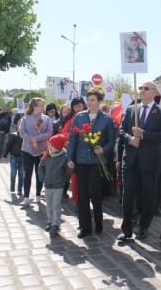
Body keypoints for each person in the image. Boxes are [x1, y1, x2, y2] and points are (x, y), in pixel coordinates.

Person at [117, 82, 161, 241]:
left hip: (150, 162)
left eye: (146, 88)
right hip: (131, 161)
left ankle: (144, 227)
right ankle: (126, 229)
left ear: (154, 92)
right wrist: (130, 139)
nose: (142, 91)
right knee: (127, 196)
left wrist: (144, 134)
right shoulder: (131, 109)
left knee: (148, 196)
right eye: (140, 88)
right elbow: (121, 130)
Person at [67, 88, 116, 238]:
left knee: (94, 192)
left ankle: (99, 221)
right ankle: (85, 227)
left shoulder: (107, 119)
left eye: (93, 100)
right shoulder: (79, 117)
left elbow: (111, 140)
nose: (90, 102)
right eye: (88, 100)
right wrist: (70, 158)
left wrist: (104, 149)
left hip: (97, 162)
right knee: (82, 194)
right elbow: (73, 140)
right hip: (81, 160)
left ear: (99, 101)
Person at [19, 98, 53, 207]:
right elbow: (22, 132)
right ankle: (26, 197)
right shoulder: (25, 118)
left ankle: (38, 195)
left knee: (40, 173)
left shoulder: (46, 118)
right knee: (27, 173)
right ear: (34, 106)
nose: (43, 107)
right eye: (40, 105)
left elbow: (49, 132)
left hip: (42, 150)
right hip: (27, 150)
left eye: (43, 105)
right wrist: (30, 140)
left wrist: (36, 139)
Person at [39, 134, 69, 237]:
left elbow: (68, 171)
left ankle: (56, 224)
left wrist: (63, 179)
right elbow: (41, 167)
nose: (49, 147)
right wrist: (42, 178)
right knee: (49, 205)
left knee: (56, 205)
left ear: (58, 147)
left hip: (58, 185)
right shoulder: (46, 155)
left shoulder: (64, 157)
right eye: (49, 145)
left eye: (51, 146)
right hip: (48, 184)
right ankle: (50, 221)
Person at [62, 97, 86, 209]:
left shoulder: (89, 116)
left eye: (80, 105)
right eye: (75, 106)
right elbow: (64, 132)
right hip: (74, 152)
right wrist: (74, 136)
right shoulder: (70, 119)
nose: (78, 108)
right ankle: (77, 201)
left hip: (88, 151)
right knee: (75, 179)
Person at [3, 116, 24, 195]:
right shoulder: (13, 135)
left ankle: (19, 189)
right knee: (13, 172)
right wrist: (5, 155)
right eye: (20, 125)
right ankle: (12, 186)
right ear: (17, 126)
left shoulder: (26, 136)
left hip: (23, 156)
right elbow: (8, 145)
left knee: (21, 173)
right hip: (14, 156)